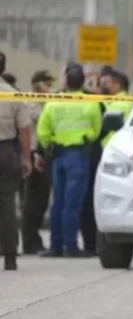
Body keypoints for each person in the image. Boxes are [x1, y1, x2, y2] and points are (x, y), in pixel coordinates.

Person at [36, 66, 102, 258]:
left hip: (57, 155)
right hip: (78, 154)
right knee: (73, 204)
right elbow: (96, 130)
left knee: (58, 202)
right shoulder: (90, 103)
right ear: (82, 82)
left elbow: (42, 131)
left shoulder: (54, 102)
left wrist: (49, 147)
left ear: (65, 82)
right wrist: (86, 139)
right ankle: (70, 246)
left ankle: (55, 246)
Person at [0, 51, 33, 270]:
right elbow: (25, 130)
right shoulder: (13, 94)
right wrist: (26, 158)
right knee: (7, 205)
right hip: (5, 152)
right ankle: (10, 257)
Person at [20, 70, 56, 254]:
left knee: (41, 201)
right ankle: (30, 240)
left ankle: (33, 239)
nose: (50, 88)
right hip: (34, 155)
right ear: (38, 85)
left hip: (43, 155)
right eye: (47, 85)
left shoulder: (46, 103)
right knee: (33, 201)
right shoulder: (31, 104)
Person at [80, 64, 108, 255]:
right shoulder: (97, 103)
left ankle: (91, 244)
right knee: (89, 202)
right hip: (93, 157)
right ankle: (91, 244)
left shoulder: (97, 102)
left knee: (88, 202)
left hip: (91, 157)